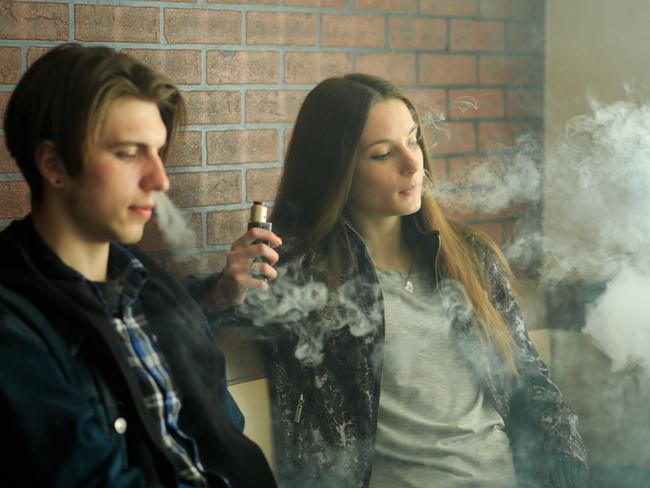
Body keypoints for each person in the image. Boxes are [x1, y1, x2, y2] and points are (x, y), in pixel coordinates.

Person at [197, 73, 588, 488]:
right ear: (336, 170)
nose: (412, 163)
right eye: (383, 154)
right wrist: (225, 291)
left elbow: (530, 381)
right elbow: (174, 317)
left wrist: (566, 471)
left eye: (414, 140)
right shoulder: (299, 273)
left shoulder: (471, 256)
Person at [0, 43, 276, 487]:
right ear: (54, 164)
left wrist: (223, 290)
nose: (160, 179)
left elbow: (226, 439)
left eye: (158, 151)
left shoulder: (148, 288)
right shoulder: (13, 327)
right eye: (129, 153)